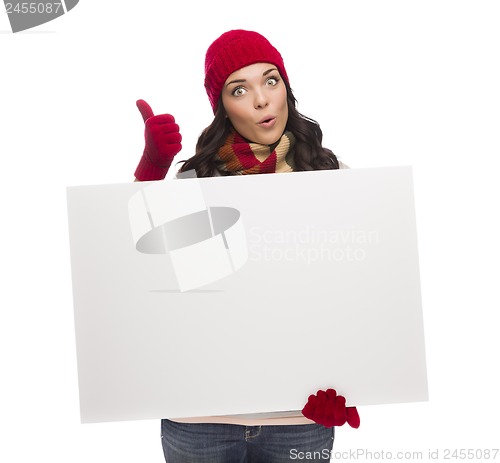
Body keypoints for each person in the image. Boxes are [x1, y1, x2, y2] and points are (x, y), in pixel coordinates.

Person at [133, 29, 360, 463]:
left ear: (287, 89)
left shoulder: (334, 179)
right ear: (223, 106)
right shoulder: (194, 182)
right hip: (199, 416)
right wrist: (152, 171)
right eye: (240, 89)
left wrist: (352, 383)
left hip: (299, 415)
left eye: (270, 80)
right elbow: (141, 275)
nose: (261, 99)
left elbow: (356, 297)